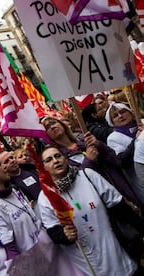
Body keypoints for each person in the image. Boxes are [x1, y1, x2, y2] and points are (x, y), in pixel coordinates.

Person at [38, 145, 143, 275]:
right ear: (44, 167)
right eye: (49, 160)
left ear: (65, 158)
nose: (55, 161)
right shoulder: (45, 197)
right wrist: (64, 235)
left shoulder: (88, 176)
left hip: (116, 253)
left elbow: (119, 206)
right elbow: (53, 229)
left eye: (58, 156)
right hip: (87, 263)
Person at [41, 116, 144, 210]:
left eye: (53, 123)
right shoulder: (57, 157)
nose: (52, 127)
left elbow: (115, 161)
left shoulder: (85, 140)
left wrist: (99, 145)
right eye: (47, 127)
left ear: (62, 124)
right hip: (98, 199)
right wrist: (89, 161)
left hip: (119, 187)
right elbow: (74, 181)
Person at [105, 102, 144, 202]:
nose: (120, 116)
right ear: (112, 122)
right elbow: (123, 161)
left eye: (122, 112)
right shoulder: (113, 138)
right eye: (115, 116)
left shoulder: (142, 122)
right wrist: (136, 140)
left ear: (131, 112)